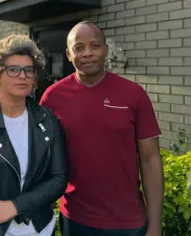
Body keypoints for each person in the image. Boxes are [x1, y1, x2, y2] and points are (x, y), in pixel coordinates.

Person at [40, 21, 164, 236]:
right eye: (79, 48)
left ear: (105, 50)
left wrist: (155, 224)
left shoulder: (134, 94)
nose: (87, 53)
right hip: (75, 218)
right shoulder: (52, 97)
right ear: (69, 54)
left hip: (129, 222)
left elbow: (150, 159)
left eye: (95, 46)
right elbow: (42, 157)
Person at [0, 34, 68, 236]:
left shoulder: (47, 119)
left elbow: (58, 179)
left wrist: (15, 206)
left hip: (41, 229)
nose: (23, 76)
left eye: (29, 70)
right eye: (13, 69)